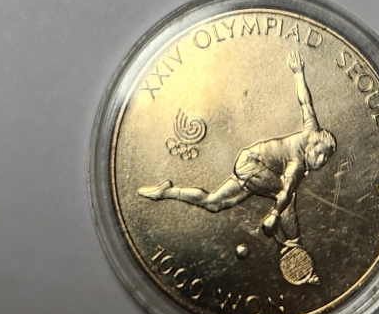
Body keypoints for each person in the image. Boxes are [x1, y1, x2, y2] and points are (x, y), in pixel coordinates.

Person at [139, 49, 336, 246]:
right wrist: (274, 214)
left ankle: (166, 192)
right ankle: (293, 241)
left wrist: (299, 73)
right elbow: (285, 192)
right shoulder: (296, 164)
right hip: (252, 164)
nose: (321, 161)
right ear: (310, 145)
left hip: (252, 163)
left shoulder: (312, 130)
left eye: (325, 158)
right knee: (286, 194)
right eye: (319, 153)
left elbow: (306, 103)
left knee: (214, 203)